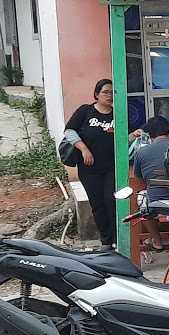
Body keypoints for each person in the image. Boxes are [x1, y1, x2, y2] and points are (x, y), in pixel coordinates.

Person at [64, 79, 117, 251]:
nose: (109, 95)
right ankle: (106, 241)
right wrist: (84, 148)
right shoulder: (85, 111)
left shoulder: (118, 115)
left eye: (112, 92)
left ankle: (117, 238)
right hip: (89, 169)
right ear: (96, 94)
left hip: (111, 167)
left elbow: (124, 137)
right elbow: (69, 131)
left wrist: (134, 135)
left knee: (112, 201)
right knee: (97, 204)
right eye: (105, 92)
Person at [133, 116, 169, 251]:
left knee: (143, 201)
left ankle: (157, 240)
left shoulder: (142, 152)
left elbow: (139, 177)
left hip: (156, 203)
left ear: (149, 134)